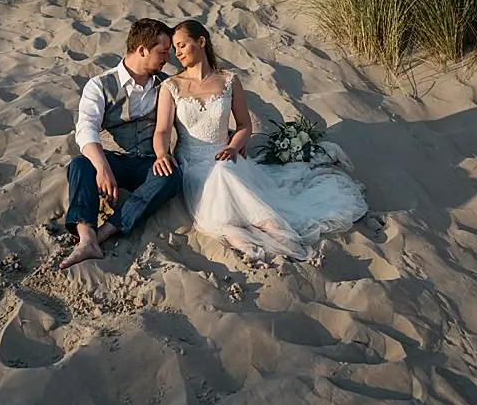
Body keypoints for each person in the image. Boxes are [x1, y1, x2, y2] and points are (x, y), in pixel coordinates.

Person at [153, 19, 368, 261]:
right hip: (192, 162)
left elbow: (245, 125)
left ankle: (271, 227)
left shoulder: (228, 81)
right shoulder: (171, 86)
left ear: (201, 41)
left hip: (226, 154)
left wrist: (234, 146)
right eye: (175, 48)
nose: (177, 52)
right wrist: (162, 154)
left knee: (226, 171)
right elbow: (162, 130)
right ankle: (250, 241)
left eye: (182, 45)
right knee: (221, 189)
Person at [60, 18, 183, 269]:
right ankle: (86, 237)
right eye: (162, 52)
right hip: (113, 160)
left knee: (172, 176)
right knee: (80, 165)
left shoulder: (167, 86)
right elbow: (86, 129)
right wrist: (103, 168)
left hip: (150, 163)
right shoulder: (100, 85)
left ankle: (106, 231)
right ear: (142, 50)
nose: (167, 59)